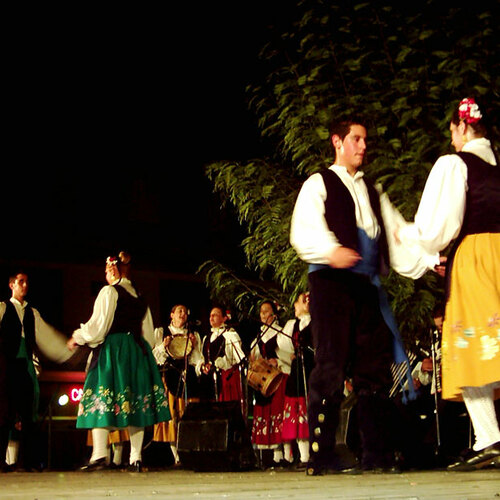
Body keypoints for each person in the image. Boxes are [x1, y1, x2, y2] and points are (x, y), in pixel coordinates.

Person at [290, 117, 434, 475]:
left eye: (365, 140)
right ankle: (322, 456)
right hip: (331, 282)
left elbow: (398, 232)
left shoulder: (373, 188)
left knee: (374, 370)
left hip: (366, 287)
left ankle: (376, 454)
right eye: (356, 139)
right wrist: (330, 250)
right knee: (330, 365)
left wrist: (430, 259)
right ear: (337, 141)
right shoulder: (318, 182)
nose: (363, 146)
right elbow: (303, 229)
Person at [396, 97, 500, 471]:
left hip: (475, 257)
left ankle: (489, 437)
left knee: (470, 342)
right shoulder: (496, 164)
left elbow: (439, 226)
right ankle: (488, 438)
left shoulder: (456, 165)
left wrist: (417, 244)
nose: (452, 139)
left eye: (453, 132)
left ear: (461, 127)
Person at [66, 253, 170, 472]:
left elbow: (98, 326)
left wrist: (78, 336)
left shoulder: (109, 291)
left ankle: (99, 454)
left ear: (113, 270)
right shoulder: (141, 298)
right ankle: (135, 457)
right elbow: (149, 335)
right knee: (134, 401)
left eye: (107, 269)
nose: (107, 273)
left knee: (99, 393)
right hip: (137, 351)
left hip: (114, 350)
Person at [0, 271, 73, 472]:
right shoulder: (3, 308)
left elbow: (47, 337)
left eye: (26, 282)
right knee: (4, 414)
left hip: (25, 367)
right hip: (6, 367)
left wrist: (65, 348)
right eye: (20, 282)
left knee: (28, 415)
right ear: (11, 285)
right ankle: (4, 462)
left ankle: (28, 462)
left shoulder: (32, 313)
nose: (24, 285)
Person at [152, 304, 202, 466]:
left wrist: (194, 348)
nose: (183, 314)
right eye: (179, 310)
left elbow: (197, 359)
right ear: (171, 314)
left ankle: (189, 453)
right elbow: (154, 358)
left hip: (188, 378)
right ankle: (177, 456)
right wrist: (163, 346)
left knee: (188, 415)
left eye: (185, 312)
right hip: (170, 376)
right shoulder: (161, 333)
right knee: (172, 416)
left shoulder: (193, 335)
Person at [249, 300, 291, 468]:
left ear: (274, 315)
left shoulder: (281, 334)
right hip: (264, 382)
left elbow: (289, 355)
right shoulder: (258, 338)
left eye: (266, 311)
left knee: (279, 412)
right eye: (261, 312)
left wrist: (278, 361)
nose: (263, 315)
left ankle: (286, 455)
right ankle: (273, 456)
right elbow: (253, 357)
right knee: (266, 413)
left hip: (279, 378)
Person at [280, 292, 314, 469]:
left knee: (309, 408)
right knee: (297, 411)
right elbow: (283, 345)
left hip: (311, 368)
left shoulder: (315, 322)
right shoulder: (292, 324)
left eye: (298, 303)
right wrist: (291, 355)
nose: (295, 306)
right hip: (297, 369)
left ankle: (312, 454)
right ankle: (303, 456)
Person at [198, 306, 246, 412]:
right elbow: (202, 357)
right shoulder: (207, 337)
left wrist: (218, 364)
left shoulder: (230, 335)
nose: (211, 317)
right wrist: (203, 366)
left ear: (224, 318)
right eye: (210, 315)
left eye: (215, 315)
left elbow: (235, 358)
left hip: (225, 378)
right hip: (209, 379)